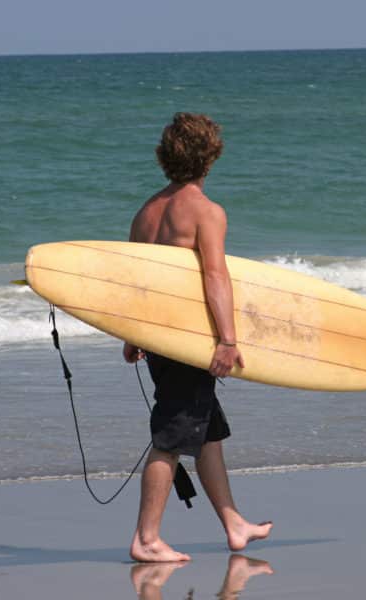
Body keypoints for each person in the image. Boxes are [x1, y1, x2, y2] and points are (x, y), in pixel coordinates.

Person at [123, 113, 273, 562]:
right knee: (170, 436)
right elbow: (215, 275)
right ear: (210, 158)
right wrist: (227, 340)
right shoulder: (207, 213)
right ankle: (146, 538)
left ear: (165, 158)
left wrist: (131, 334)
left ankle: (234, 524)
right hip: (190, 340)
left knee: (206, 432)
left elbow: (135, 283)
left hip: (158, 342)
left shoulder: (145, 213)